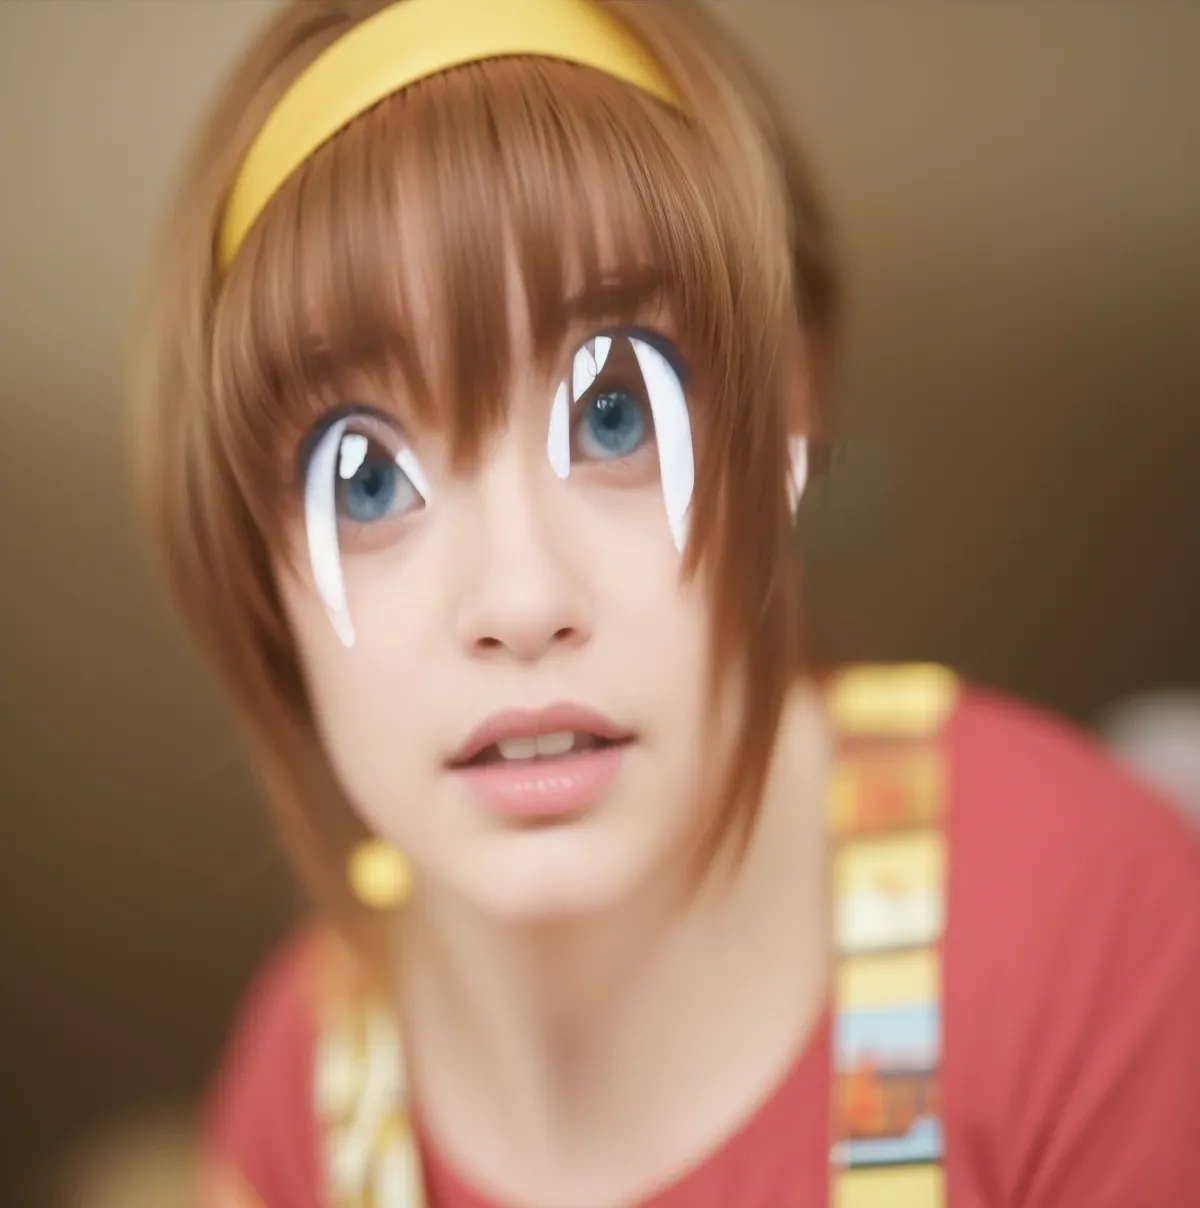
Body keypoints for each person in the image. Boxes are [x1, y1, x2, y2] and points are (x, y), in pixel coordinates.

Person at [131, 2, 1200, 1205]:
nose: (522, 599)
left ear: (783, 432)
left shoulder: (1098, 942)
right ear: (255, 576)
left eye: (616, 416)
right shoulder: (306, 1087)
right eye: (367, 478)